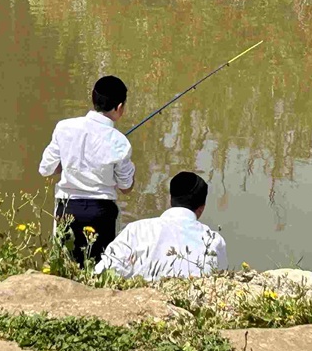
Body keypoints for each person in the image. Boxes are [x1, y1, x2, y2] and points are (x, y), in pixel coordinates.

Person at [38, 75, 135, 264]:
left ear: (93, 98)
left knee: (64, 266)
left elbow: (46, 169)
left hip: (67, 208)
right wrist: (132, 171)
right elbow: (126, 187)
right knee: (101, 268)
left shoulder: (64, 127)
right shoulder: (120, 142)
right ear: (120, 107)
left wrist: (66, 163)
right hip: (102, 212)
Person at [95, 170, 227, 281]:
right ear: (201, 208)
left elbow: (103, 271)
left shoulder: (136, 230)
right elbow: (219, 281)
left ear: (170, 199)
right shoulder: (214, 240)